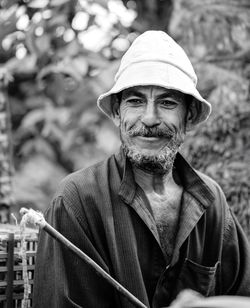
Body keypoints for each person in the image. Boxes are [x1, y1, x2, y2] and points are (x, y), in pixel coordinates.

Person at [33, 31, 250, 308]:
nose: (149, 118)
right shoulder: (76, 201)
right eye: (135, 101)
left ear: (190, 116)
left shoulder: (212, 200)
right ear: (117, 114)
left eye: (167, 102)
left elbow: (240, 297)